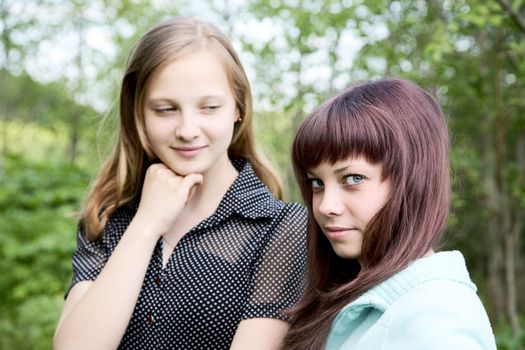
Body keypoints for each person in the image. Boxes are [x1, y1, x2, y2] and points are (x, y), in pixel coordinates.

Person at [53, 17, 307, 350]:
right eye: (165, 109)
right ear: (138, 113)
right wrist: (146, 224)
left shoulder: (280, 227)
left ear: (238, 109)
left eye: (209, 107)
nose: (187, 129)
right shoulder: (109, 218)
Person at [283, 78, 497, 350]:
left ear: (411, 181)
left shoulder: (436, 316)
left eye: (353, 178)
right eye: (317, 183)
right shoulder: (352, 297)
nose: (326, 206)